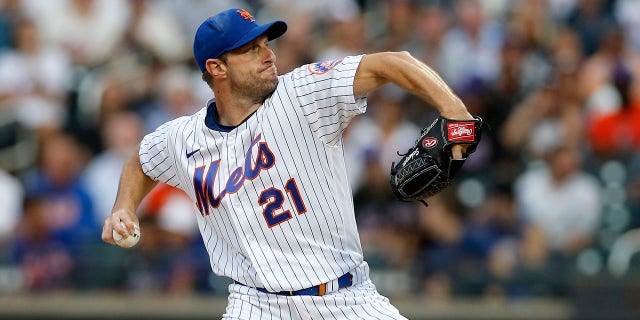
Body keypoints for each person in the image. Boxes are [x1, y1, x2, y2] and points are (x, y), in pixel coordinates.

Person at [101, 8, 474, 319]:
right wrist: (124, 206)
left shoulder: (301, 94)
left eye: (266, 44)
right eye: (250, 49)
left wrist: (455, 111)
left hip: (346, 299)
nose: (268, 55)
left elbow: (394, 63)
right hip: (255, 304)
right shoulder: (182, 138)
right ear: (217, 67)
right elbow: (141, 161)